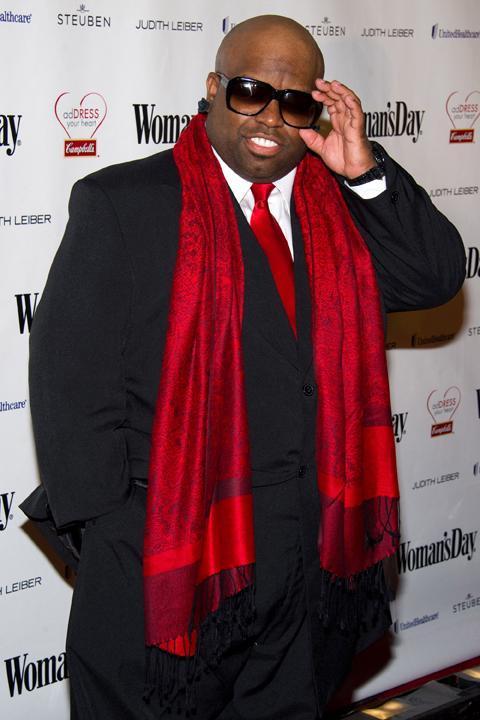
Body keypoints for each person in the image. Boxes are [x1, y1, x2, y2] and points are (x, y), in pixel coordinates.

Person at [21, 14, 465, 720]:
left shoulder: (338, 208)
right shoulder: (125, 203)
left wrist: (366, 172)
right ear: (213, 89)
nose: (271, 118)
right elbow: (69, 383)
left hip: (306, 563)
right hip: (167, 558)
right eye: (252, 91)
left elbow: (434, 278)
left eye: (295, 103)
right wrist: (121, 537)